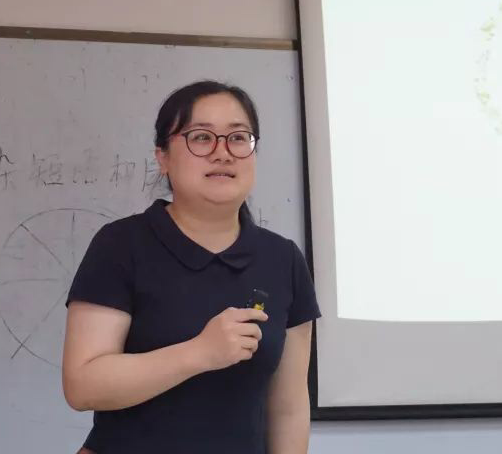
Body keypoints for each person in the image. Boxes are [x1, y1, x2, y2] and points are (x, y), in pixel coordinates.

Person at [62, 80, 320, 453]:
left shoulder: (283, 259)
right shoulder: (121, 244)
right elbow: (82, 386)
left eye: (238, 138)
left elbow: (289, 408)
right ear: (163, 157)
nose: (223, 153)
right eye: (201, 138)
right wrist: (199, 353)